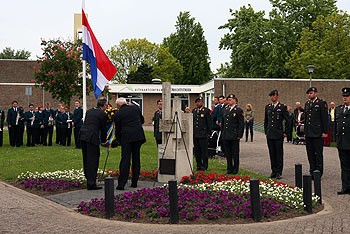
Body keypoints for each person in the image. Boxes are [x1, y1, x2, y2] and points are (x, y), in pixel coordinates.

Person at [114, 97, 146, 190]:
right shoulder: (135, 108)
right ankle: (134, 182)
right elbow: (142, 120)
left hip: (126, 137)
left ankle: (121, 183)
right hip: (138, 136)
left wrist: (119, 140)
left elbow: (118, 129)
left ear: (118, 105)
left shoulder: (118, 113)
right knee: (136, 158)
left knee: (125, 159)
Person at [79, 97, 108, 190]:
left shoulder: (89, 111)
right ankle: (91, 183)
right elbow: (103, 129)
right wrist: (104, 140)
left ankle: (88, 178)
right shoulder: (102, 114)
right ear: (104, 106)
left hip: (83, 135)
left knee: (86, 158)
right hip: (92, 137)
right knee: (93, 160)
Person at [264, 89, 290, 179]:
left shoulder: (282, 107)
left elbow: (288, 120)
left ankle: (279, 171)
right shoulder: (268, 107)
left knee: (279, 153)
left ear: (277, 96)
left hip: (278, 133)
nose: (272, 97)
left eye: (274, 95)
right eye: (271, 96)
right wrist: (266, 131)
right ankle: (273, 170)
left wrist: (286, 132)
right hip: (270, 133)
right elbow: (266, 121)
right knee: (272, 152)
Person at [304, 87, 329, 178]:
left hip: (318, 132)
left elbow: (325, 118)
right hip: (309, 132)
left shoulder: (321, 103)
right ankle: (312, 170)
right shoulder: (307, 104)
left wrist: (325, 131)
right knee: (310, 153)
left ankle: (318, 171)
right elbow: (306, 119)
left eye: (311, 93)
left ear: (316, 93)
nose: (310, 95)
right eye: (309, 93)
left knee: (318, 153)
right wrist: (305, 131)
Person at [221, 94, 244, 174]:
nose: (229, 100)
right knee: (228, 153)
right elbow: (223, 123)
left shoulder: (238, 110)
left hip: (234, 135)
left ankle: (235, 169)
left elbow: (241, 124)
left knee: (235, 153)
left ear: (235, 100)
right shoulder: (225, 109)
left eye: (231, 99)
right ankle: (229, 168)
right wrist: (223, 133)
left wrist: (239, 135)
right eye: (228, 99)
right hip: (226, 134)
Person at [335, 88, 350, 194]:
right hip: (342, 142)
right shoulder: (339, 109)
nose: (344, 97)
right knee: (344, 166)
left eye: (347, 96)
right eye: (344, 96)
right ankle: (345, 186)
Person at [192, 96, 212, 171]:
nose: (198, 103)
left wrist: (209, 133)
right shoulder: (194, 111)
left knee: (204, 151)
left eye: (199, 101)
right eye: (197, 102)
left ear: (202, 102)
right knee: (197, 151)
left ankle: (205, 165)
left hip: (203, 134)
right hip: (196, 134)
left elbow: (209, 123)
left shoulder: (206, 111)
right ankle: (198, 165)